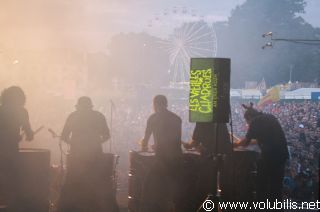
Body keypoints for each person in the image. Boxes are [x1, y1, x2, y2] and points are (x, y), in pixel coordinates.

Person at [59, 96, 115, 212]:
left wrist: (73, 144)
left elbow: (64, 136)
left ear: (78, 107)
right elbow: (107, 136)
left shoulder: (73, 116)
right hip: (95, 156)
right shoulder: (98, 116)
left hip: (76, 157)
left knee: (71, 184)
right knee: (97, 184)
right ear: (90, 107)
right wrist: (96, 143)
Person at [234, 103, 289, 202]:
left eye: (247, 122)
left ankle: (261, 205)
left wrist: (234, 144)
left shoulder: (255, 121)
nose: (248, 124)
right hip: (281, 155)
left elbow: (246, 142)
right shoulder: (269, 117)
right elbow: (262, 137)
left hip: (270, 157)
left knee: (262, 183)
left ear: (250, 117)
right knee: (276, 184)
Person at [140, 95, 183, 212]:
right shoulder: (177, 118)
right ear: (166, 104)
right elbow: (176, 140)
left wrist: (144, 145)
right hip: (177, 158)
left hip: (162, 159)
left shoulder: (153, 118)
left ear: (155, 105)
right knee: (172, 188)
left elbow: (145, 140)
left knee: (148, 187)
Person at [0, 86, 34, 209]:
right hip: (11, 149)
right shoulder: (21, 111)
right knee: (12, 177)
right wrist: (26, 136)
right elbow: (29, 134)